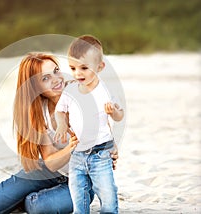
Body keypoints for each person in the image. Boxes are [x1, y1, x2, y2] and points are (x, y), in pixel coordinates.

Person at [0, 52, 119, 214]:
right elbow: (50, 162)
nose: (56, 80)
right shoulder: (38, 112)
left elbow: (105, 127)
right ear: (35, 87)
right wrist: (72, 146)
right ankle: (23, 197)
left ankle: (27, 200)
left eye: (56, 71)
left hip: (82, 176)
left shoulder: (81, 92)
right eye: (45, 78)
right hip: (50, 170)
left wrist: (110, 149)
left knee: (38, 207)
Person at [54, 35, 124, 214]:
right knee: (78, 193)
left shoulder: (105, 91)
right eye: (73, 68)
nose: (78, 73)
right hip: (77, 154)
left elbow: (119, 115)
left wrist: (113, 112)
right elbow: (60, 110)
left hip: (101, 153)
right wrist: (62, 124)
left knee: (107, 193)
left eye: (84, 68)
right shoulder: (70, 91)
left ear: (100, 67)